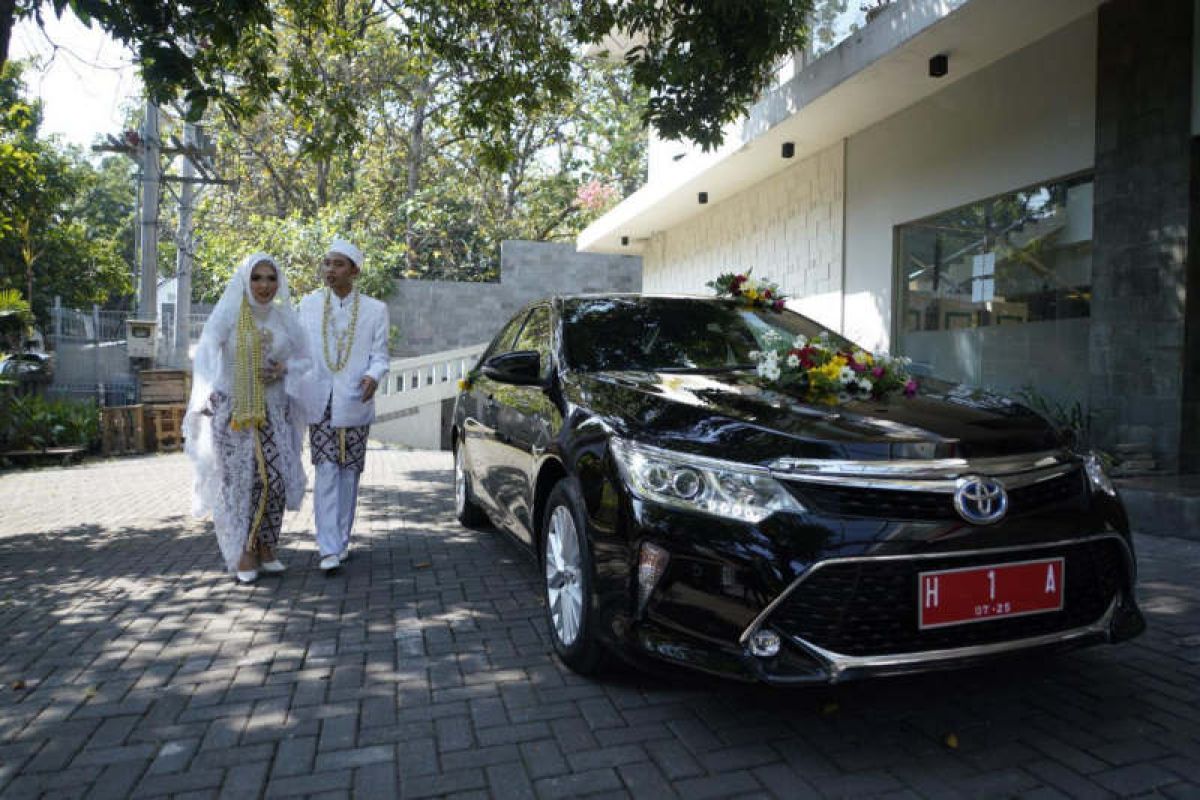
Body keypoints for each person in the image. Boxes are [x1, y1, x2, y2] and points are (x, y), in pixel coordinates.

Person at [183, 253, 310, 584]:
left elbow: (307, 360)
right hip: (234, 411)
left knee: (276, 481)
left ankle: (267, 546)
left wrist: (285, 369)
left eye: (271, 278)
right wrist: (207, 391)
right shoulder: (229, 313)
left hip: (273, 411)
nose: (264, 285)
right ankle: (242, 552)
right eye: (257, 278)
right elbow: (206, 351)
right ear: (245, 281)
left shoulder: (284, 318)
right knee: (242, 483)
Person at [297, 238, 390, 572]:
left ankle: (341, 540)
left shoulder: (375, 309)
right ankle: (327, 547)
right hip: (319, 400)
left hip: (353, 400)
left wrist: (373, 376)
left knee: (349, 473)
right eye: (327, 264)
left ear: (354, 270)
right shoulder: (307, 305)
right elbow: (297, 351)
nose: (330, 271)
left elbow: (380, 355)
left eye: (338, 264)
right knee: (325, 470)